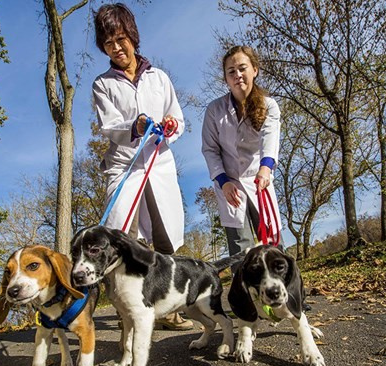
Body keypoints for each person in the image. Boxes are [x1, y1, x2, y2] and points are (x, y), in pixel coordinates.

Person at [92, 3, 192, 330]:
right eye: (108, 43)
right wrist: (135, 127)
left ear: (133, 37)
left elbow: (177, 117)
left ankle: (171, 308)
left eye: (121, 39)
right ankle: (128, 315)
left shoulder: (159, 78)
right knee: (124, 238)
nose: (117, 48)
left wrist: (170, 126)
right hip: (124, 167)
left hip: (158, 166)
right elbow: (109, 126)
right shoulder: (102, 84)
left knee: (166, 238)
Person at [201, 45, 282, 257]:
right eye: (231, 71)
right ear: (226, 78)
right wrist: (223, 181)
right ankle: (245, 289)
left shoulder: (269, 105)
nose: (237, 75)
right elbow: (210, 149)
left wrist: (266, 168)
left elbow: (270, 138)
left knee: (273, 247)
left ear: (254, 70)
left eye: (242, 68)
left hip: (259, 181)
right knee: (241, 250)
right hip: (229, 184)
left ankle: (285, 289)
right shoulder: (214, 110)